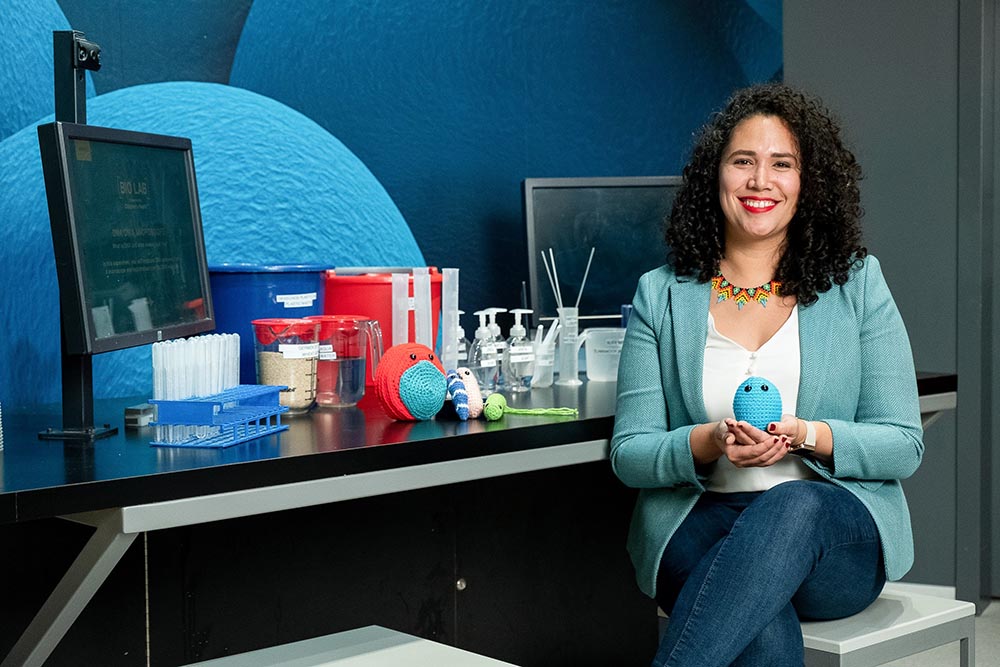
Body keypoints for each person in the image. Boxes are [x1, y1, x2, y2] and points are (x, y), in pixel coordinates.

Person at [610, 83, 923, 667]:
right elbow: (631, 453)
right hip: (699, 525)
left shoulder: (858, 283)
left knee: (789, 508)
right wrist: (710, 442)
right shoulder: (661, 294)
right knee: (754, 612)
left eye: (782, 164)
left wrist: (804, 433)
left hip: (831, 535)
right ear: (715, 175)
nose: (760, 181)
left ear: (809, 183)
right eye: (742, 161)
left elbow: (903, 445)